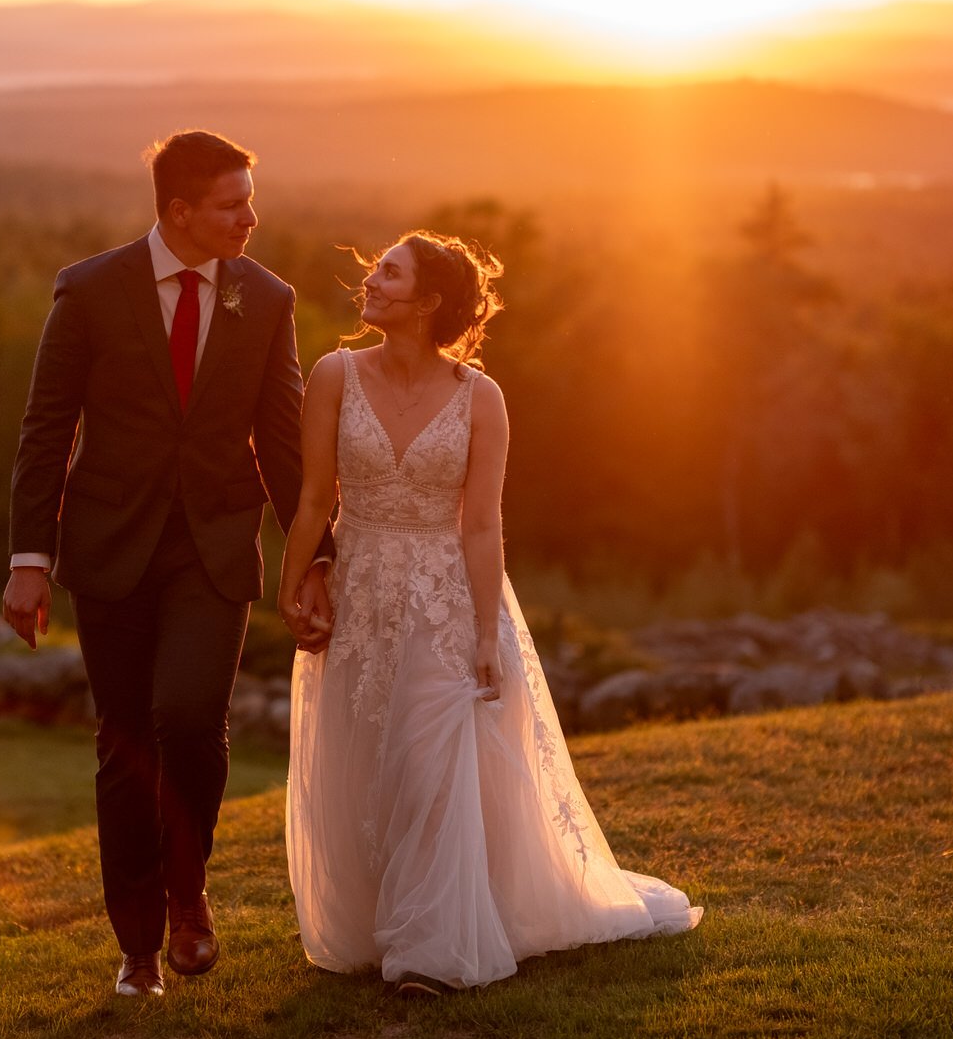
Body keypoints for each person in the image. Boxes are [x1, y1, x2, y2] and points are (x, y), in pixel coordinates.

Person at [275, 231, 702, 995]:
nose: (370, 280)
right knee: (372, 759)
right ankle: (389, 916)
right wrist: (293, 580)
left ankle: (433, 948)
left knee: (434, 758)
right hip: (363, 588)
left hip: (448, 596)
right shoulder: (333, 374)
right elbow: (314, 498)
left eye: (390, 273)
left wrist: (481, 630)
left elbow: (481, 524)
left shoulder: (482, 397)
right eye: (377, 268)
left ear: (431, 301)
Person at [4, 130, 333, 999]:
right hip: (109, 550)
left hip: (215, 545)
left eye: (249, 201)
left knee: (188, 718)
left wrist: (316, 556)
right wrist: (29, 558)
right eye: (232, 205)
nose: (250, 219)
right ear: (179, 210)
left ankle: (190, 893)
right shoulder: (88, 291)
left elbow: (285, 438)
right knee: (123, 743)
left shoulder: (267, 299)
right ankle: (139, 945)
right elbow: (46, 429)